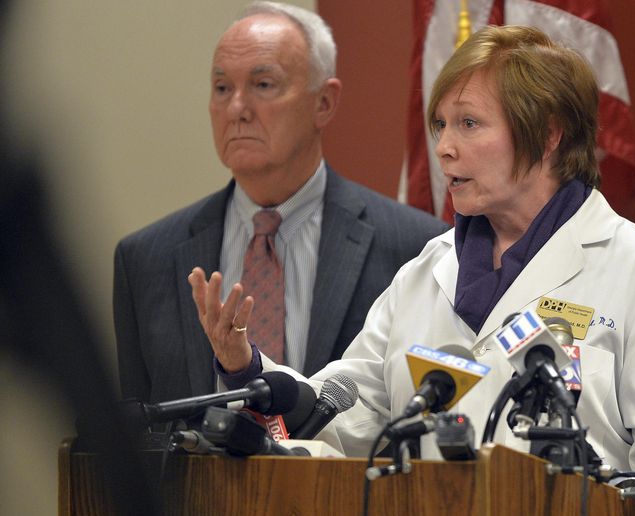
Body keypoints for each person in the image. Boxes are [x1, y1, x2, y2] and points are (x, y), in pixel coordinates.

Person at [191, 25, 635, 515]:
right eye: (440, 125)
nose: (444, 148)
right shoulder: (424, 272)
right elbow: (346, 415)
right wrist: (247, 369)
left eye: (469, 123)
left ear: (548, 134)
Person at [114, 1, 449, 405]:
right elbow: (138, 429)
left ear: (324, 102)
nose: (236, 109)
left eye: (263, 84)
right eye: (222, 88)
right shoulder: (146, 260)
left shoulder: (414, 248)